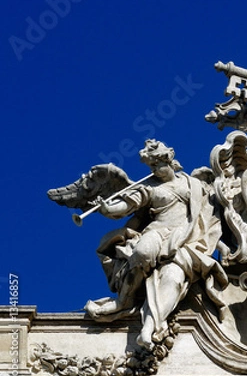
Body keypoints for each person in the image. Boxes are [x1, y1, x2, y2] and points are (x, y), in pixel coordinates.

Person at [85, 139, 227, 350]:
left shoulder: (194, 184)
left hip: (185, 239)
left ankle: (149, 328)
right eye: (151, 166)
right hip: (158, 232)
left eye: (157, 164)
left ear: (168, 159)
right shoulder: (148, 187)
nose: (154, 169)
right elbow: (126, 206)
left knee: (173, 278)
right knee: (142, 253)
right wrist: (107, 209)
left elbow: (209, 217)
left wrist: (221, 246)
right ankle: (124, 300)